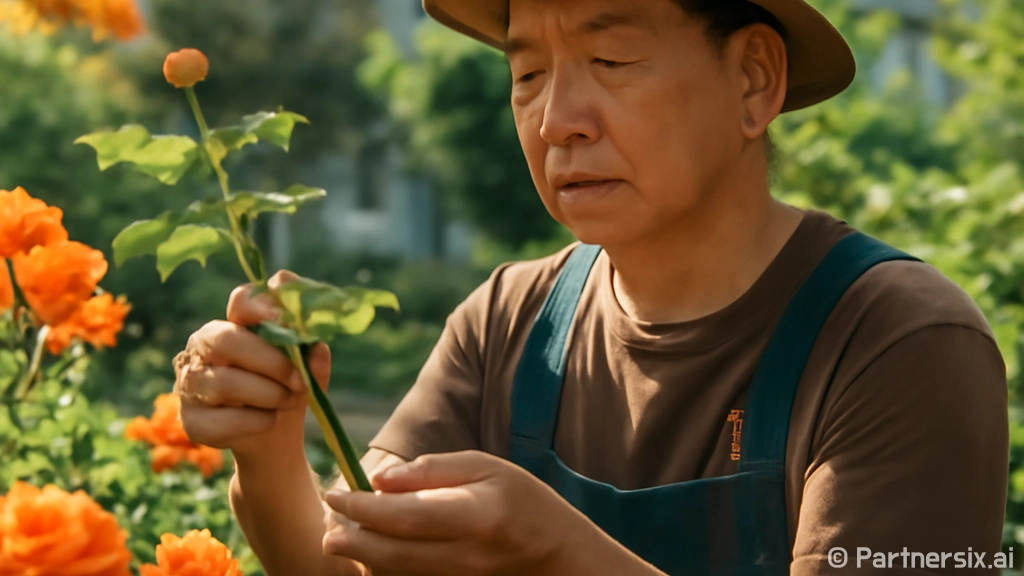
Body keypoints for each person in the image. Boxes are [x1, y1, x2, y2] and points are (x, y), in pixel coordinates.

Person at [173, 0, 1010, 574]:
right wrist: (269, 445)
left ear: (754, 80)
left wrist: (557, 554)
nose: (556, 119)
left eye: (612, 59)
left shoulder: (903, 343)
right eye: (528, 73)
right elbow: (348, 559)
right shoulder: (509, 320)